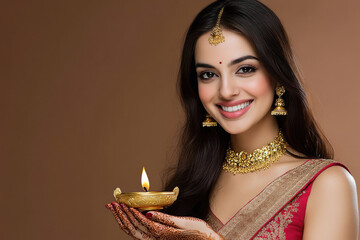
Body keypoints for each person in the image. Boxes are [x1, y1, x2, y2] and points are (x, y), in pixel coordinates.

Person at [106, 0, 359, 239]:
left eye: (245, 69)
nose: (226, 91)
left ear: (278, 76)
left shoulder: (328, 186)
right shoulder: (189, 188)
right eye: (208, 74)